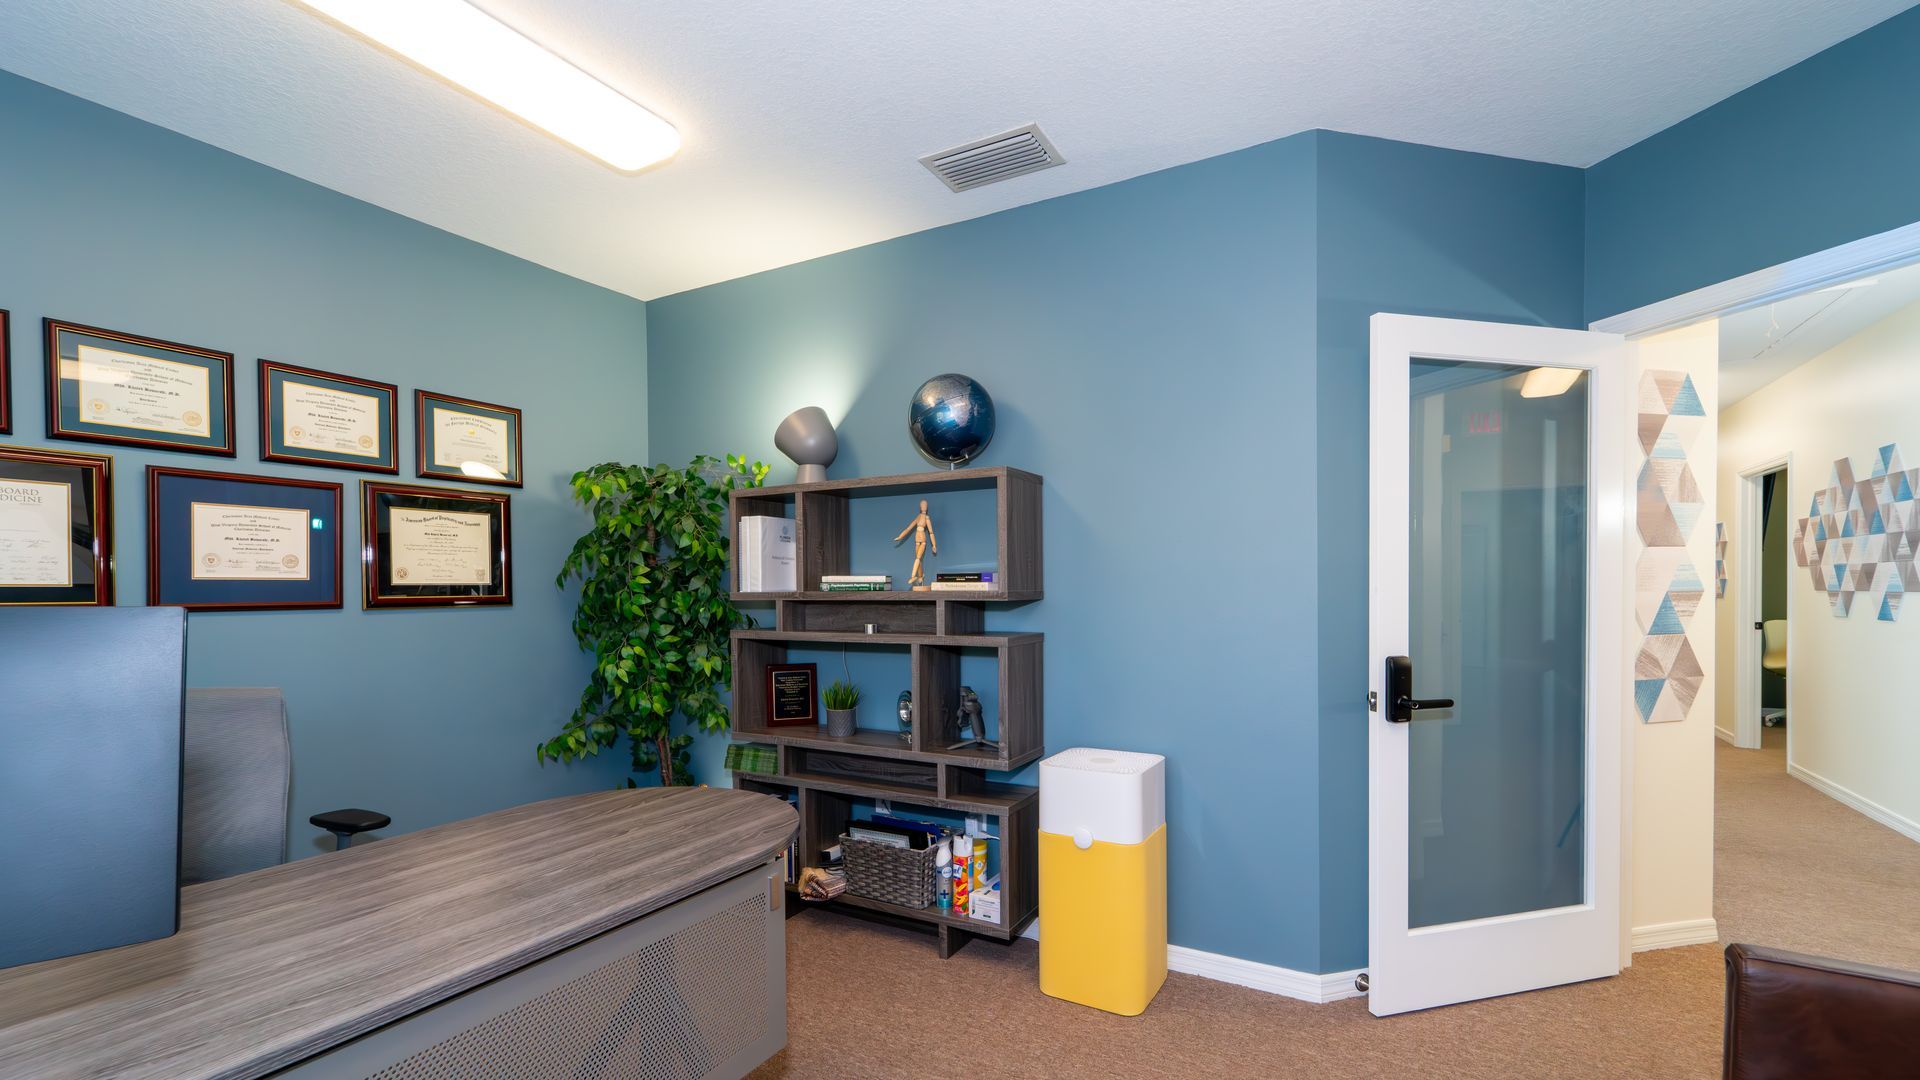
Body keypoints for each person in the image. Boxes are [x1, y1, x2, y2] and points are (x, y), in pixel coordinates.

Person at [893, 499, 938, 588]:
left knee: (917, 558)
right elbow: (909, 528)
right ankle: (921, 576)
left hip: (923, 541)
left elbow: (931, 532)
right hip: (917, 540)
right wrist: (900, 536)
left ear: (927, 507)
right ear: (920, 507)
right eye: (922, 505)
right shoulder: (918, 517)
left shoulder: (926, 518)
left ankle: (913, 576)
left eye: (925, 505)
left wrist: (934, 545)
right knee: (919, 561)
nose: (924, 507)